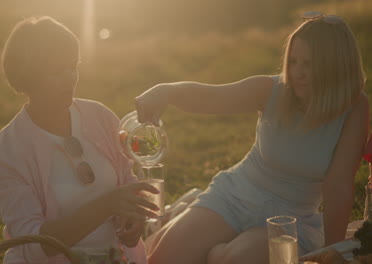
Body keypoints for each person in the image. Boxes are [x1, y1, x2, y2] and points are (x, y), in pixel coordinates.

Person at [135, 13, 369, 264]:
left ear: (333, 65)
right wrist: (166, 91)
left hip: (291, 217)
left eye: (309, 64)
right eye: (293, 61)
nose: (297, 72)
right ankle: (197, 222)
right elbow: (211, 98)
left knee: (232, 260)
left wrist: (332, 251)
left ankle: (215, 251)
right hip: (234, 196)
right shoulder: (273, 90)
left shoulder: (354, 108)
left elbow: (339, 187)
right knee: (160, 259)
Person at [0, 16, 160, 264]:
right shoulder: (6, 151)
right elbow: (35, 245)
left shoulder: (100, 117)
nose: (70, 79)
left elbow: (125, 178)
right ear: (28, 77)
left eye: (73, 66)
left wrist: (131, 221)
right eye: (57, 71)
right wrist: (107, 205)